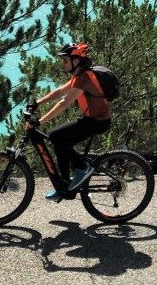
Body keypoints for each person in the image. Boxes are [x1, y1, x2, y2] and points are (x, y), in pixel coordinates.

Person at [28, 42, 112, 200]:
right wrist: (37, 103)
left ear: (76, 61)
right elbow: (60, 91)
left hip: (98, 122)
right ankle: (64, 186)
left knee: (55, 136)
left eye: (66, 60)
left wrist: (39, 121)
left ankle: (82, 167)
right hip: (91, 119)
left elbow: (63, 103)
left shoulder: (84, 78)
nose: (63, 63)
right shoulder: (79, 76)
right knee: (58, 139)